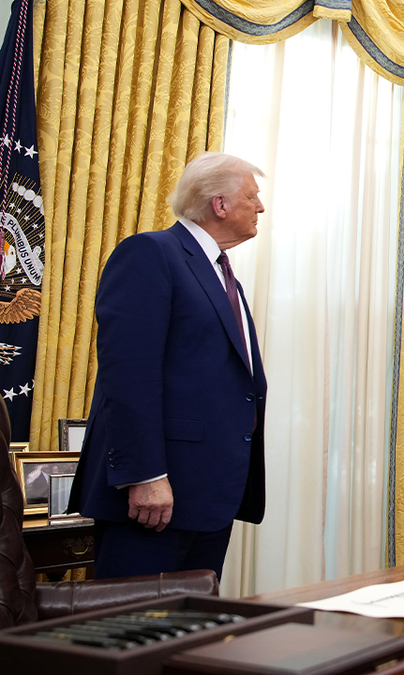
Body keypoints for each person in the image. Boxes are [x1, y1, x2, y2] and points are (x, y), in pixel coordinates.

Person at [70, 152, 269, 579]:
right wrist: (144, 475)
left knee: (187, 633)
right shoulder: (151, 253)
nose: (261, 207)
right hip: (156, 497)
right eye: (252, 197)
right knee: (129, 632)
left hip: (208, 495)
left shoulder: (221, 272)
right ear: (220, 204)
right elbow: (128, 376)